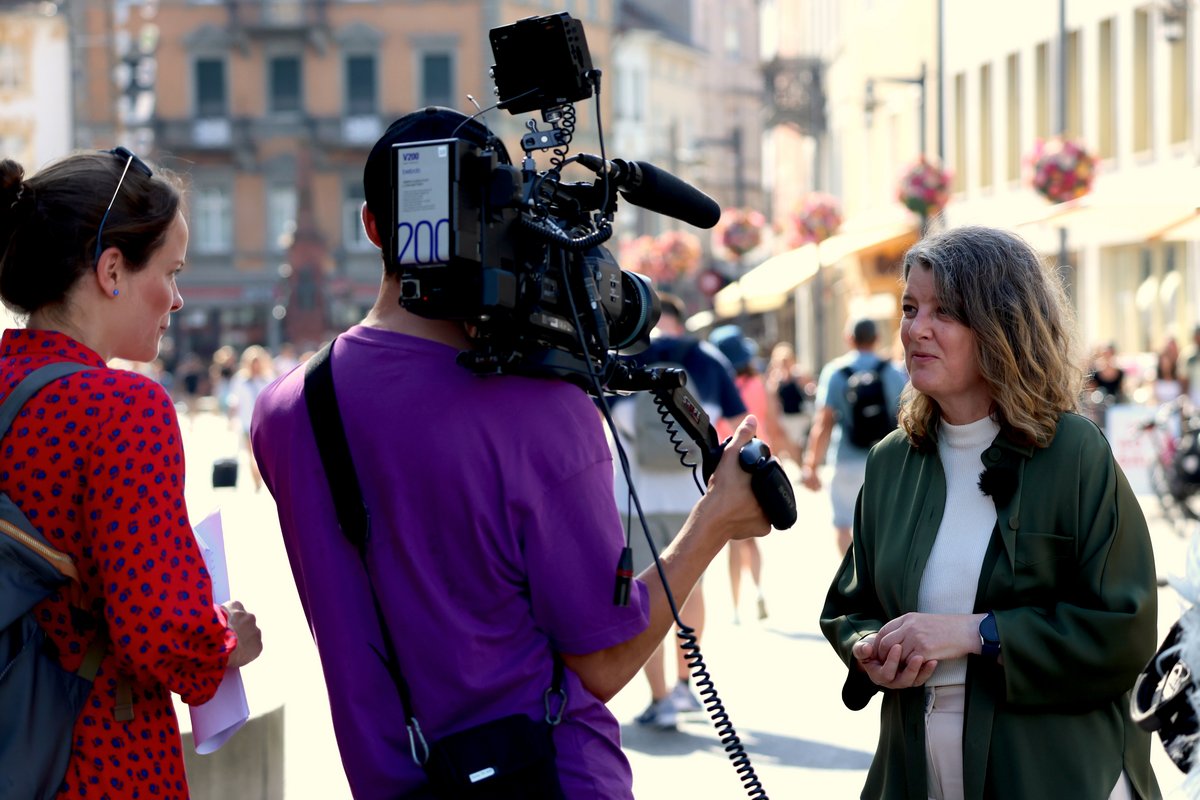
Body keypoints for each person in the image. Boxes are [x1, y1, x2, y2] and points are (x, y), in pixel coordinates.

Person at [250, 107, 771, 799]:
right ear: (507, 227)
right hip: (552, 780)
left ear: (372, 227)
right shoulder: (545, 413)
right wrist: (717, 521)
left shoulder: (284, 410)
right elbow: (605, 662)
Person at [820, 226, 1160, 800]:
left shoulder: (1073, 453)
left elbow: (1123, 630)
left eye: (944, 311)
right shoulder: (891, 462)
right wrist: (868, 648)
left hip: (1052, 770)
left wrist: (977, 634)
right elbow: (851, 606)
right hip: (915, 769)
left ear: (1002, 326)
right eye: (909, 307)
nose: (915, 329)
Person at [0, 149, 262, 798]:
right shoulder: (122, 409)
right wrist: (228, 639)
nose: (175, 300)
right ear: (111, 269)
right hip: (97, 751)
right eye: (170, 273)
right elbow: (164, 631)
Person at [607, 293, 748, 730]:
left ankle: (661, 698)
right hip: (693, 501)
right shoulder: (707, 359)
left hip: (636, 501)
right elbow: (738, 421)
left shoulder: (623, 358)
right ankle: (689, 685)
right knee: (690, 591)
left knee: (644, 598)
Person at [709, 324, 795, 625]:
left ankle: (735, 607)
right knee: (754, 536)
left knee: (734, 541)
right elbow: (774, 425)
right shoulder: (761, 385)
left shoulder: (717, 388)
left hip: (727, 467)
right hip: (760, 468)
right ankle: (759, 592)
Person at [800, 317, 906, 554]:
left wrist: (811, 464)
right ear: (877, 339)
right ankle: (877, 583)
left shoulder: (835, 373)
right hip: (885, 462)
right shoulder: (890, 371)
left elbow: (823, 423)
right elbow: (907, 417)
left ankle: (853, 580)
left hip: (845, 460)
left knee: (843, 526)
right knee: (883, 527)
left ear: (848, 338)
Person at [229, 344, 275, 491]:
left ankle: (263, 477)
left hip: (266, 424)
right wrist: (231, 417)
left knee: (265, 454)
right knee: (251, 454)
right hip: (247, 422)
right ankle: (256, 480)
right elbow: (234, 399)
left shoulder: (268, 378)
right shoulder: (240, 380)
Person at [766, 341, 813, 457]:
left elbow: (810, 390)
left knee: (800, 448)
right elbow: (772, 398)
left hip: (801, 418)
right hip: (786, 419)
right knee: (788, 448)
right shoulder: (775, 378)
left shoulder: (800, 375)